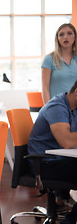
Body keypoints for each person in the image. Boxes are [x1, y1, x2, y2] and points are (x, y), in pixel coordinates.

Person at [28, 79, 77, 214]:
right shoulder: (57, 107)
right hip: (45, 163)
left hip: (61, 159)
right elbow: (67, 141)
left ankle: (65, 205)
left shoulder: (73, 108)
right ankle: (70, 220)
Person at [42, 23, 77, 104]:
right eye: (61, 34)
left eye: (69, 33)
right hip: (57, 107)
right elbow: (45, 88)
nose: (65, 37)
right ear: (57, 38)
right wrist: (48, 109)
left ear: (75, 36)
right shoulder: (49, 59)